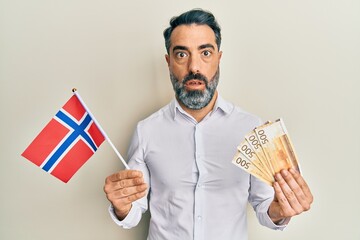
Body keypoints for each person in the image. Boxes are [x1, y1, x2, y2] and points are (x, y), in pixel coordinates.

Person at [103, 8, 313, 240]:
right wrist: (122, 206)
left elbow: (265, 207)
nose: (194, 67)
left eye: (205, 52)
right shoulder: (147, 130)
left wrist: (280, 209)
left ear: (218, 58)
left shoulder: (251, 129)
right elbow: (133, 212)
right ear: (169, 62)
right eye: (182, 54)